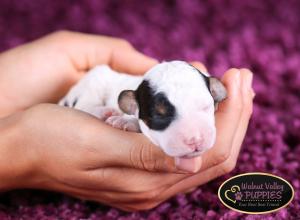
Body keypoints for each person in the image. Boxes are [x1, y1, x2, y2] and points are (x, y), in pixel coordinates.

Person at [0, 31, 254, 211]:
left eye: (203, 107)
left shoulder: (198, 84)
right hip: (89, 97)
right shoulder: (114, 88)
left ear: (215, 92)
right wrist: (22, 150)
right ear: (133, 106)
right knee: (99, 78)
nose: (195, 137)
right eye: (163, 116)